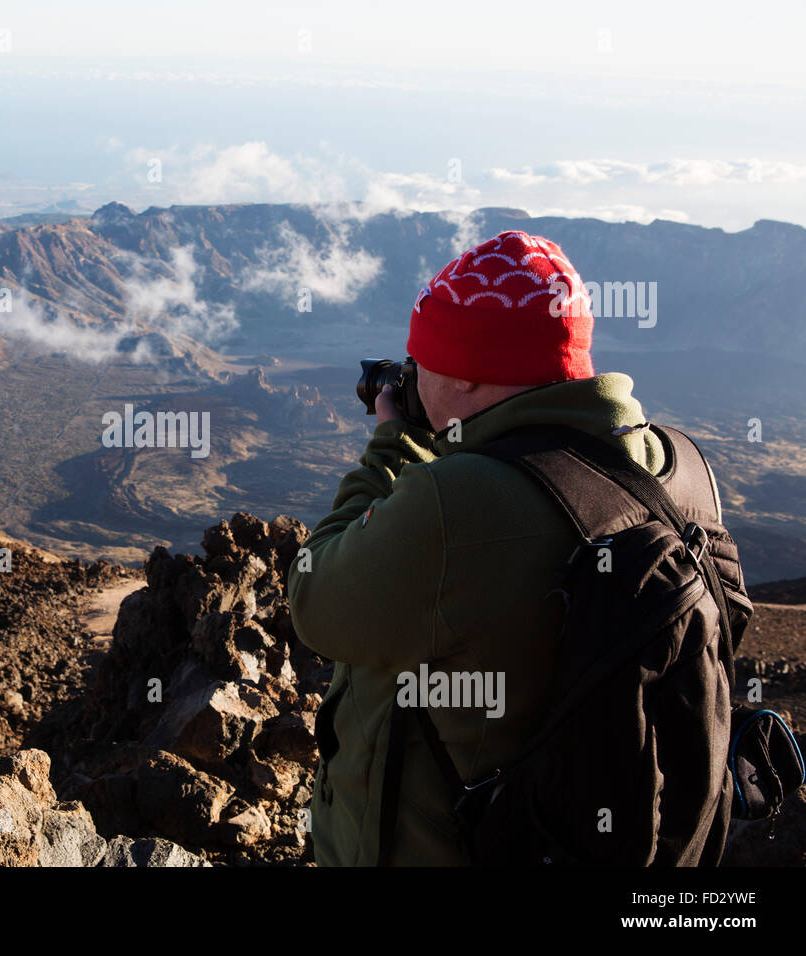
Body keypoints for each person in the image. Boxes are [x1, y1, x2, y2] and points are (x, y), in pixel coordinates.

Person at [287, 229, 708, 865]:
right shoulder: (682, 469)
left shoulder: (457, 503)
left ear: (471, 380)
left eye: (422, 361)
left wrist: (391, 446)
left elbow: (317, 600)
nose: (411, 376)